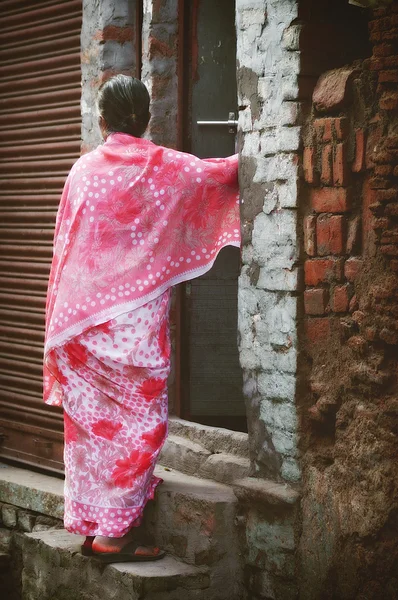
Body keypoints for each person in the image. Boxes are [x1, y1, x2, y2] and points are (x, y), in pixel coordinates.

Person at [44, 74, 240, 563]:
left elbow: (63, 247)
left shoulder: (82, 171)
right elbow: (217, 176)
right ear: (147, 118)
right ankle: (114, 535)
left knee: (92, 426)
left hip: (81, 320)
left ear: (103, 119)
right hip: (131, 321)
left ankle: (94, 526)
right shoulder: (163, 166)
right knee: (139, 422)